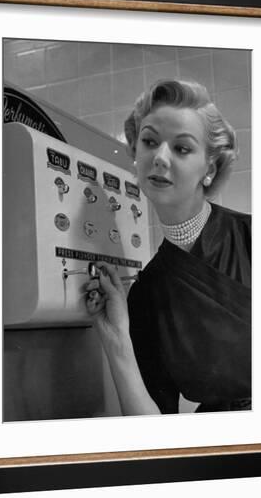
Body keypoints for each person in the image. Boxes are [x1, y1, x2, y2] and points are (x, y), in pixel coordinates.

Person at [85, 79, 251, 415]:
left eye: (182, 148)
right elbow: (155, 432)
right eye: (149, 141)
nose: (159, 157)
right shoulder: (147, 293)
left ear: (210, 168)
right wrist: (116, 337)